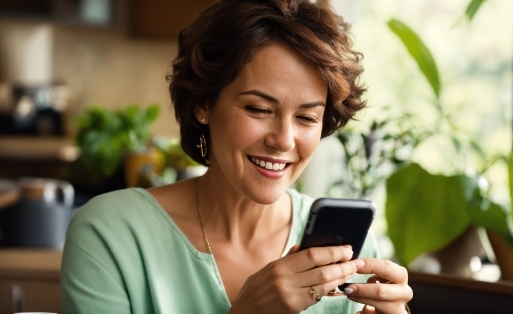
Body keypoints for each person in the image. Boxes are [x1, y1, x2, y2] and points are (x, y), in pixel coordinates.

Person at [60, 0, 413, 313]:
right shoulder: (110, 233)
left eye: (307, 118)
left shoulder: (351, 249)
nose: (283, 140)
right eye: (259, 109)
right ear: (203, 105)